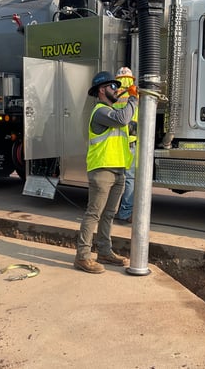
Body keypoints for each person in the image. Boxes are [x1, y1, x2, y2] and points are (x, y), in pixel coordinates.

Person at [74, 70, 138, 274]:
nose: (117, 90)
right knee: (94, 213)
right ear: (102, 90)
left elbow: (126, 127)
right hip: (102, 170)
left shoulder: (112, 111)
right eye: (113, 86)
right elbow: (121, 119)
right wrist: (134, 98)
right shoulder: (100, 111)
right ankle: (82, 257)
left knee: (109, 214)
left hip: (118, 169)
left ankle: (104, 251)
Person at [113, 67, 138, 223]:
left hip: (115, 142)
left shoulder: (114, 96)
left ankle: (110, 211)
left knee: (115, 179)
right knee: (130, 179)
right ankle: (125, 212)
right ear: (131, 79)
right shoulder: (133, 95)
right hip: (129, 142)